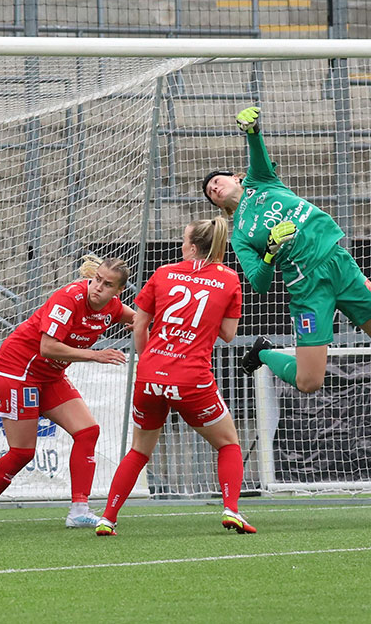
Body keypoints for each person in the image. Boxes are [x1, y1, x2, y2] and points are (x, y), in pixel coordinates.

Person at [202, 106, 371, 433]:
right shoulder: (240, 235)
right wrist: (270, 252)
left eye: (216, 181)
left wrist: (252, 129)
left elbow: (257, 149)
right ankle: (263, 353)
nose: (214, 188)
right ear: (218, 205)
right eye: (210, 193)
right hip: (308, 290)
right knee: (309, 382)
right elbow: (260, 283)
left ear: (236, 178)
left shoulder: (260, 181)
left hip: (339, 266)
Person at [95, 217, 254, 536]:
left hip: (150, 374)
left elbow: (140, 325)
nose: (181, 246)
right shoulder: (229, 278)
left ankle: (108, 518)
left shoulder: (164, 273)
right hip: (191, 377)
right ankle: (231, 509)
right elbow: (228, 334)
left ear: (193, 247)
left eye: (183, 241)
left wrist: (148, 358)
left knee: (139, 450)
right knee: (228, 443)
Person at [0, 255, 136, 530]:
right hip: (18, 372)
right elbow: (48, 347)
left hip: (49, 376)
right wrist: (95, 355)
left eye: (107, 284)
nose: (98, 287)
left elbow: (138, 316)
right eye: (97, 279)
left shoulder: (111, 306)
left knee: (88, 431)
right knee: (22, 452)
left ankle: (79, 510)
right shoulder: (69, 298)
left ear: (119, 291)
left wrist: (144, 322)